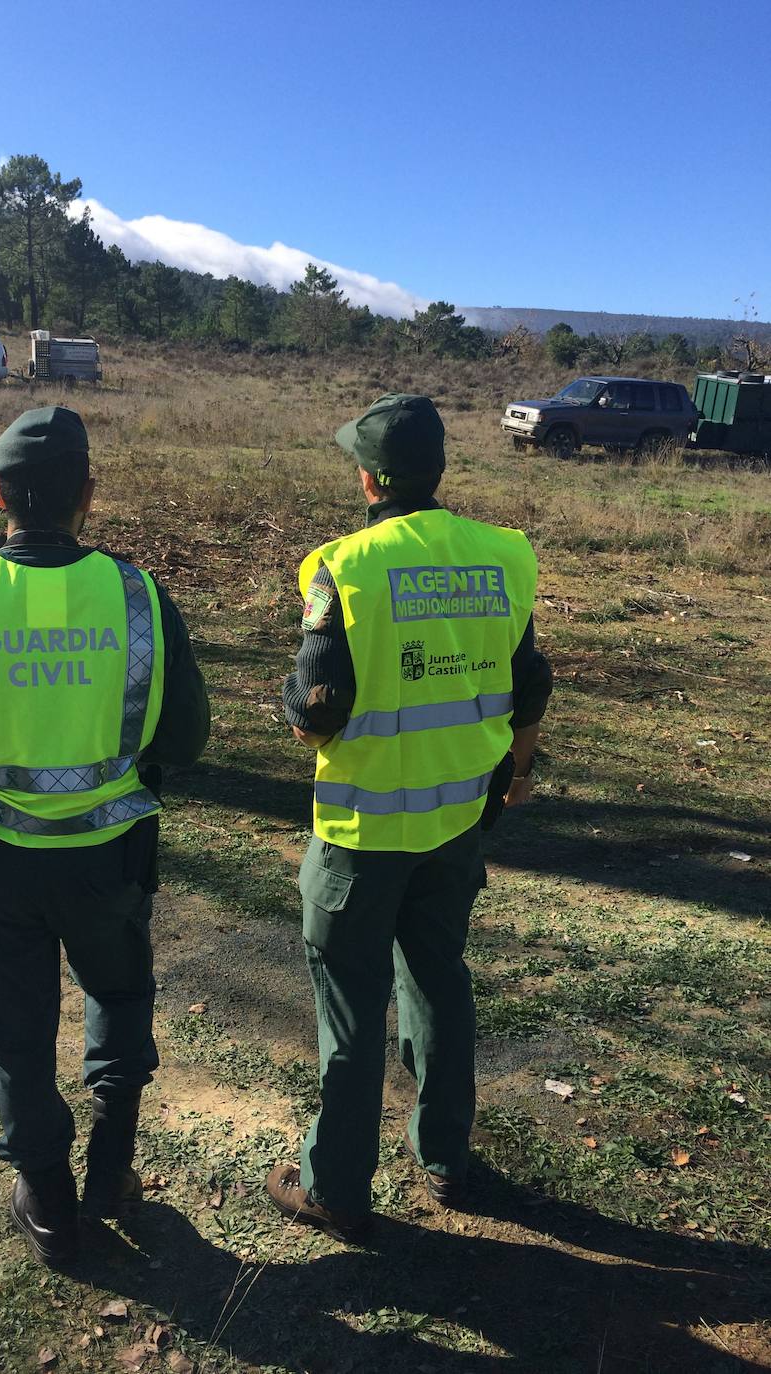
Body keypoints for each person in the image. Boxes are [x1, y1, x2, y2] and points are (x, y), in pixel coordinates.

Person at [0, 405, 209, 1268]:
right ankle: (111, 1165)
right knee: (120, 995)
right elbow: (185, 741)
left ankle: (50, 1206)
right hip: (110, 861)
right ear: (87, 496)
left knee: (14, 1030)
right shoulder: (137, 595)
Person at [265, 393, 552, 1244]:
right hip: (457, 819)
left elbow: (317, 707)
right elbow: (528, 680)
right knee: (438, 979)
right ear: (437, 471)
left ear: (367, 478)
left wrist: (295, 719)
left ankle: (335, 1190)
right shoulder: (503, 555)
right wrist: (519, 771)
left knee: (351, 1011)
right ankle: (446, 1159)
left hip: (359, 836)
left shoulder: (341, 566)